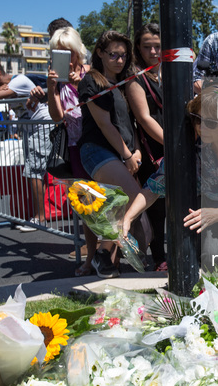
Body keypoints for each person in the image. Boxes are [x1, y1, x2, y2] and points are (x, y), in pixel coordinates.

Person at [121, 87, 218, 269]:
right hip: (213, 202)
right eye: (197, 119)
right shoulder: (190, 142)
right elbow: (155, 185)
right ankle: (215, 291)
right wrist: (128, 218)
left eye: (211, 123)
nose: (201, 127)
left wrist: (217, 214)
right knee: (210, 256)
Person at [76, 30, 148, 278]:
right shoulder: (91, 82)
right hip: (98, 150)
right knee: (132, 196)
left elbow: (129, 123)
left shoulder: (123, 83)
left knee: (119, 206)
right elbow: (104, 124)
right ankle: (102, 254)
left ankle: (106, 263)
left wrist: (134, 149)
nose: (119, 60)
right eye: (113, 54)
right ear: (99, 53)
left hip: (122, 152)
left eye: (123, 55)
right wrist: (127, 154)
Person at [34, 26, 99, 264]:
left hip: (101, 145)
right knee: (87, 207)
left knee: (110, 201)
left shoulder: (92, 73)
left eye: (68, 51)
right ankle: (91, 257)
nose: (66, 57)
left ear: (78, 50)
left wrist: (81, 83)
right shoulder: (57, 81)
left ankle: (111, 254)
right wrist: (52, 89)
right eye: (58, 52)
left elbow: (103, 105)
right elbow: (57, 117)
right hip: (76, 149)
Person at [0, 60, 52, 232]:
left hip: (41, 126)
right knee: (34, 171)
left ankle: (40, 218)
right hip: (31, 128)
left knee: (34, 171)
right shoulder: (7, 86)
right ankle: (40, 216)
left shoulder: (19, 81)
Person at [126, 23, 167, 272]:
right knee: (157, 206)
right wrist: (172, 144)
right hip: (154, 147)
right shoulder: (136, 79)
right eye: (147, 47)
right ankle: (159, 256)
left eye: (158, 46)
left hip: (176, 143)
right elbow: (144, 118)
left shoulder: (173, 72)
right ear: (138, 49)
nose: (153, 52)